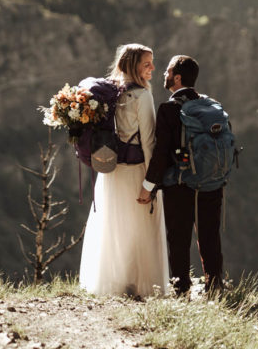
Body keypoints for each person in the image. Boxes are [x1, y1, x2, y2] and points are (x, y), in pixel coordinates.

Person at [79, 44, 169, 297]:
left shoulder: (110, 94)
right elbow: (150, 142)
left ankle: (113, 284)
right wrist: (151, 183)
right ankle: (142, 286)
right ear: (132, 66)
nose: (152, 68)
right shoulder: (142, 96)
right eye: (146, 64)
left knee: (114, 227)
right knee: (141, 228)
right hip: (136, 171)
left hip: (112, 171)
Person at [137, 55, 224, 296]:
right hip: (212, 182)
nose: (163, 74)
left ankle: (181, 288)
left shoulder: (169, 109)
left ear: (177, 77)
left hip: (180, 183)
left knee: (179, 237)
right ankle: (215, 287)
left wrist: (148, 185)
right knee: (209, 236)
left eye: (167, 71)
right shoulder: (212, 106)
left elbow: (161, 153)